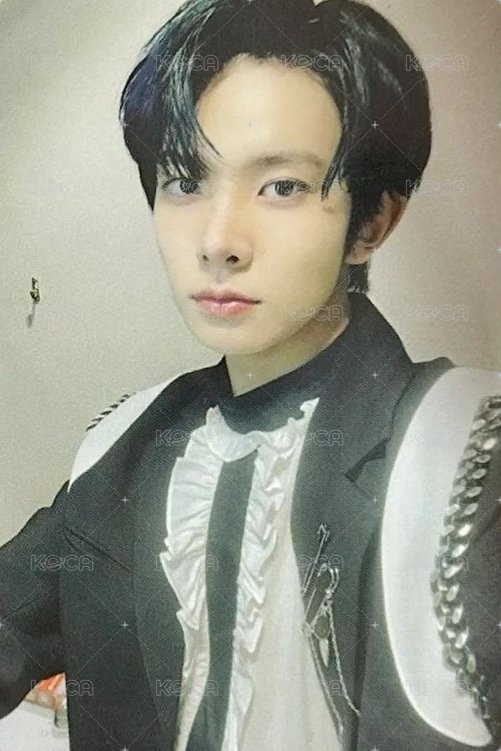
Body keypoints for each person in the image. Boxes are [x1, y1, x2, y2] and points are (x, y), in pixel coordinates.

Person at [1, 0, 500, 749]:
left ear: (371, 222)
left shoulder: (463, 453)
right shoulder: (124, 444)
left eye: (282, 186)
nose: (218, 240)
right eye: (183, 180)